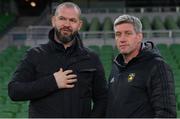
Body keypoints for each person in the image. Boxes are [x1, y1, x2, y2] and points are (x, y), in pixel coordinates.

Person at [8, 2, 107, 118]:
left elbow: (102, 98)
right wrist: (52, 82)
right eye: (62, 19)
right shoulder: (34, 54)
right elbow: (14, 91)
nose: (67, 24)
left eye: (72, 20)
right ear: (53, 21)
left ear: (79, 25)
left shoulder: (91, 58)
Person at [106, 14, 176, 118]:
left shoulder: (156, 66)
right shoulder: (116, 67)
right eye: (118, 34)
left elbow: (166, 114)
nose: (122, 39)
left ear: (139, 37)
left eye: (128, 33)